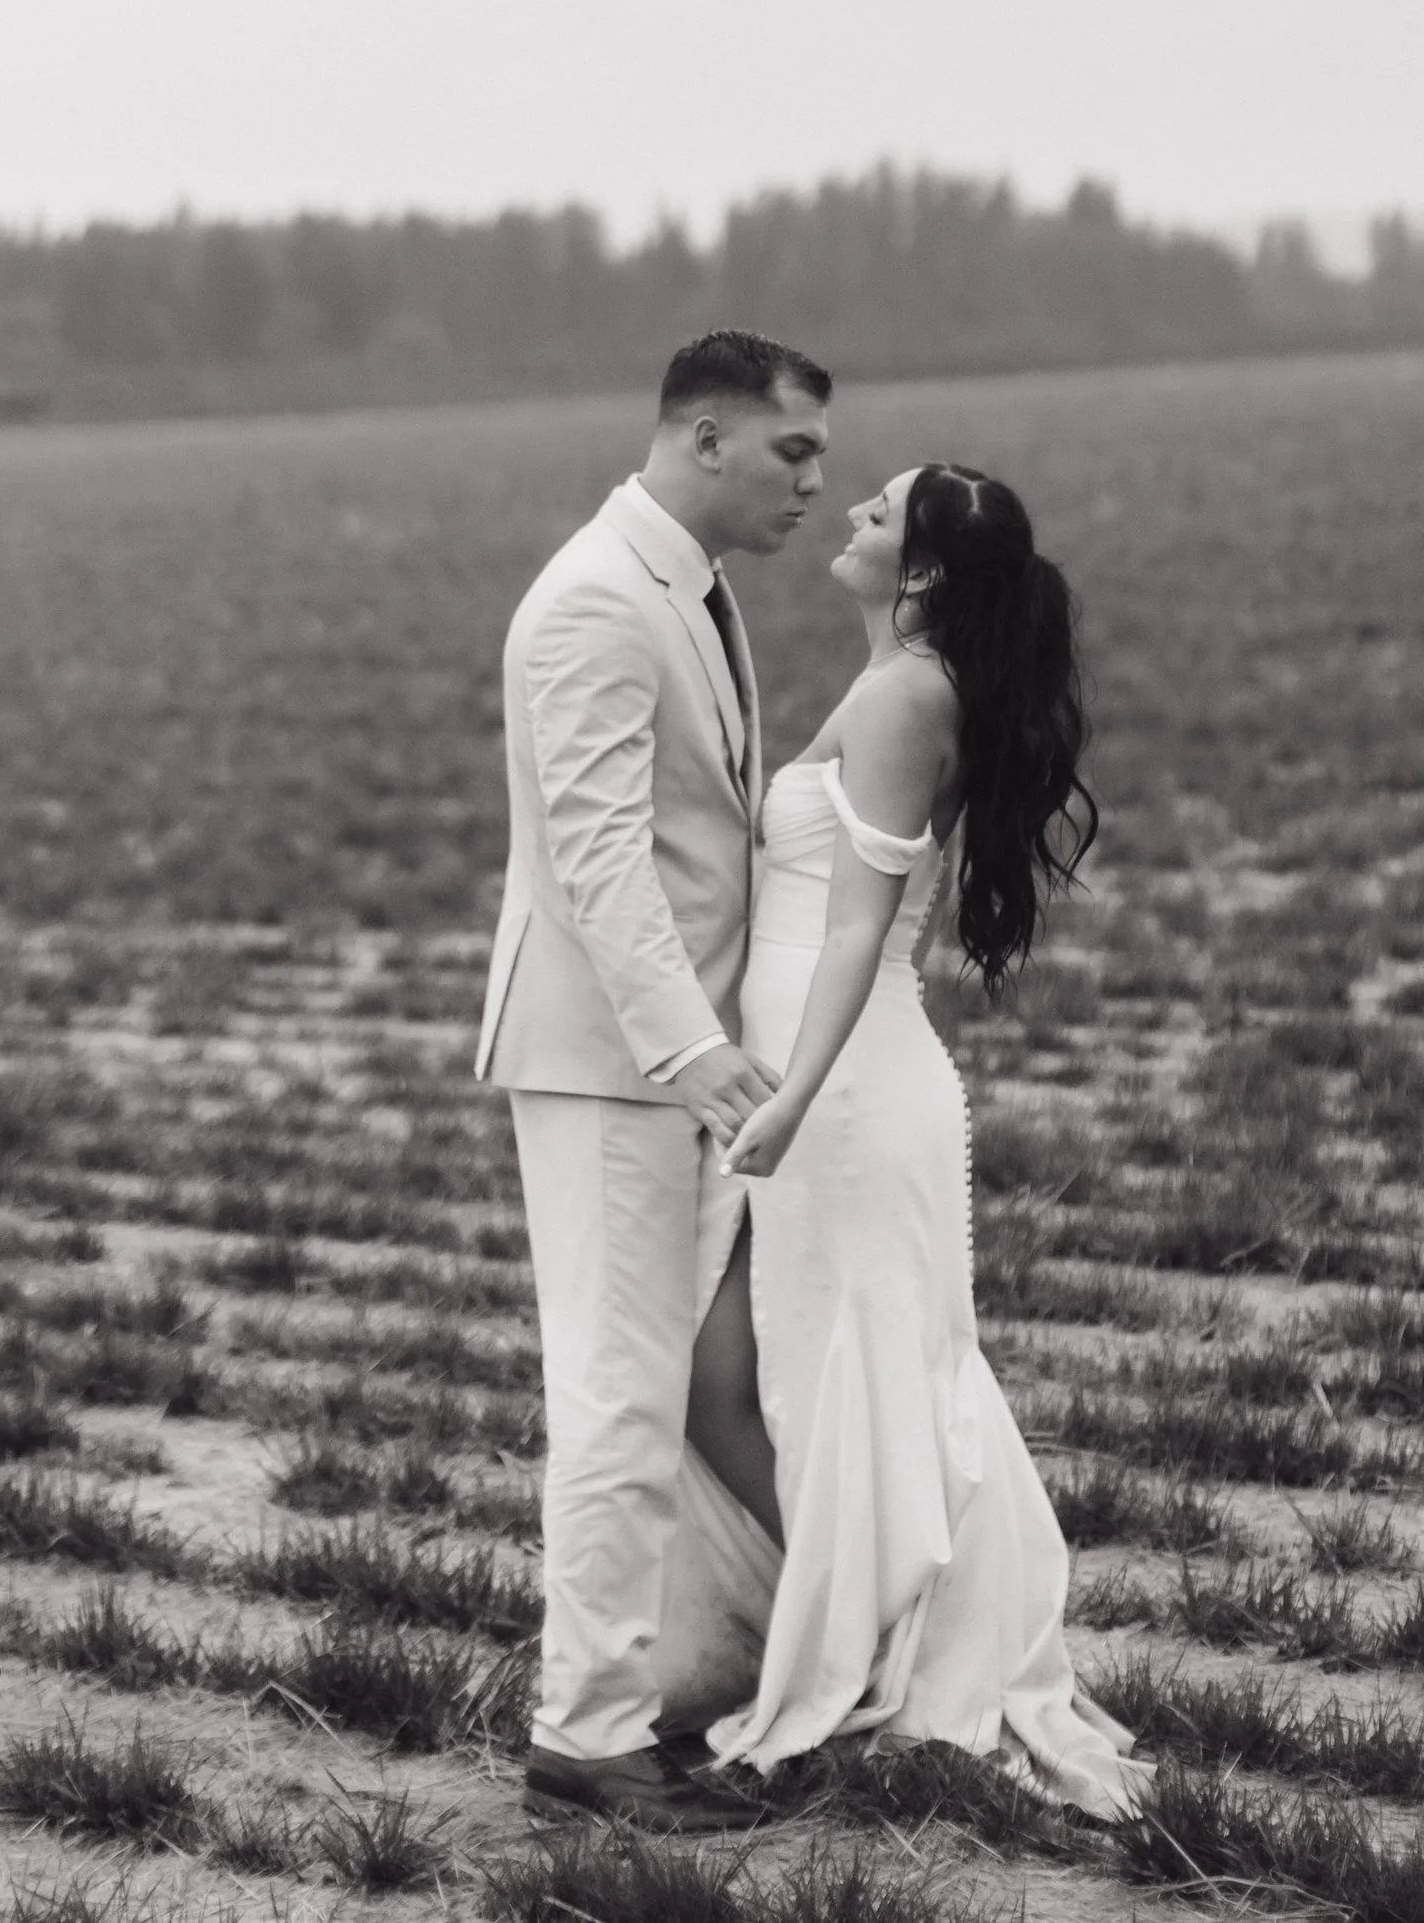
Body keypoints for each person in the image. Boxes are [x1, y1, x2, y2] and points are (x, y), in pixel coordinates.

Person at [702, 460, 1148, 1815]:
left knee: (819, 1386)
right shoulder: (894, 682)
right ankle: (869, 1630)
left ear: (928, 572)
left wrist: (788, 1094)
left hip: (844, 1093)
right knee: (743, 1379)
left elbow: (855, 924)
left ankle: (890, 1651)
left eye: (880, 513)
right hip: (818, 1082)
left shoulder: (906, 696)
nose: (848, 518)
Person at [475, 328, 831, 1835]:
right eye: (792, 450)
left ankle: (643, 1701)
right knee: (619, 1400)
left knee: (650, 1394)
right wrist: (690, 1049)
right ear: (699, 437)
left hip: (655, 1062)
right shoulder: (595, 603)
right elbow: (599, 856)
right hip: (616, 1066)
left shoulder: (683, 581)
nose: (817, 479)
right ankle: (588, 1739)